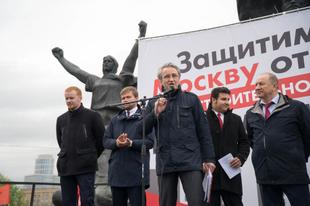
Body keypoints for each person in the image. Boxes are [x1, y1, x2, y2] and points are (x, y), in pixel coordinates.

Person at [52, 21, 147, 205]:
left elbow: (132, 58)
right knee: (90, 161)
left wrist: (141, 36)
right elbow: (76, 71)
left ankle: (108, 188)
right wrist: (61, 59)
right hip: (92, 126)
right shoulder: (94, 81)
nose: (106, 62)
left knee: (108, 160)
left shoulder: (122, 79)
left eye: (109, 60)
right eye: (104, 61)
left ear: (115, 65)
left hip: (114, 126)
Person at [143, 63, 216, 206]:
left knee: (197, 202)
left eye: (174, 75)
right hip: (165, 162)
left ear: (179, 78)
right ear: (161, 81)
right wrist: (155, 112)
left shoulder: (192, 99)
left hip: (190, 160)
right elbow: (142, 129)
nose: (171, 79)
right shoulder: (153, 103)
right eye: (167, 76)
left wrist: (209, 158)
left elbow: (204, 131)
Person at [244, 72, 310, 206]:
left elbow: (307, 135)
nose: (257, 87)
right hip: (265, 175)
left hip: (293, 173)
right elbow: (252, 141)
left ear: (274, 86)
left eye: (261, 84)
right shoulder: (250, 113)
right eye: (256, 84)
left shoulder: (296, 107)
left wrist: (297, 156)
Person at [103, 86, 154, 206]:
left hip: (136, 173)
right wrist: (117, 143)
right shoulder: (115, 120)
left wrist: (131, 143)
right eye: (123, 98)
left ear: (136, 98)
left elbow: (150, 142)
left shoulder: (145, 117)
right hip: (117, 173)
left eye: (128, 97)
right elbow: (105, 141)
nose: (125, 100)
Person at [56, 86, 105, 206]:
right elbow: (61, 143)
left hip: (86, 167)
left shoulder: (93, 116)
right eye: (66, 98)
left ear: (80, 98)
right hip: (66, 167)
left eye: (71, 98)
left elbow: (101, 141)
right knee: (67, 202)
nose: (68, 101)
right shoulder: (61, 119)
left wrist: (89, 155)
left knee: (87, 200)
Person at [205, 87, 250, 206]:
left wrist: (240, 158)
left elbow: (244, 142)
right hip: (209, 175)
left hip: (231, 176)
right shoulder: (202, 118)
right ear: (213, 100)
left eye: (228, 99)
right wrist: (202, 162)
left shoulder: (236, 119)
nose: (227, 102)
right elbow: (195, 143)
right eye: (223, 99)